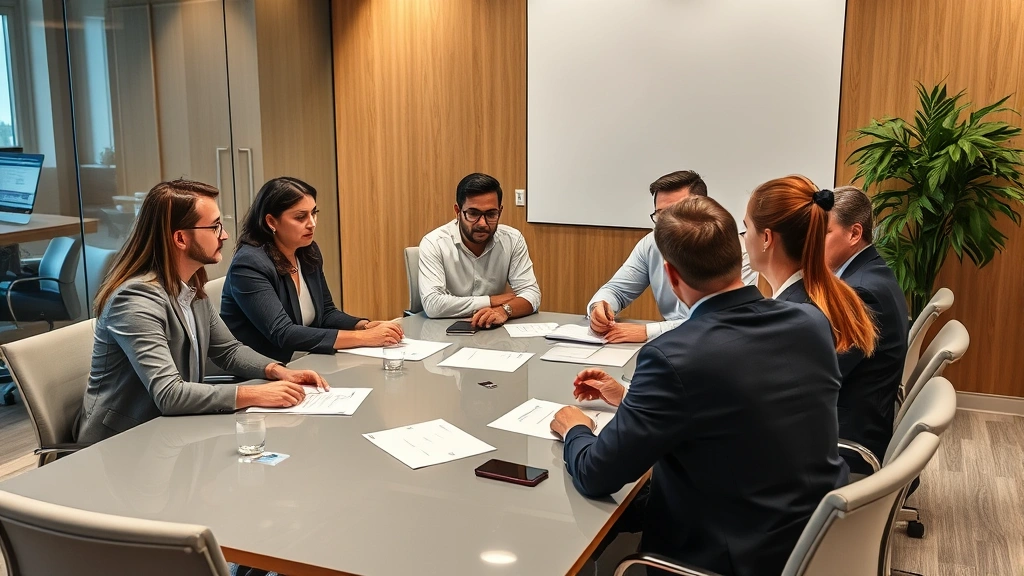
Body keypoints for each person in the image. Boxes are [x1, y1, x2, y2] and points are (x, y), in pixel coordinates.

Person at [550, 196, 847, 576]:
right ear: (738, 256)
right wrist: (628, 399)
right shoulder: (810, 321)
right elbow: (733, 409)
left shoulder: (673, 356)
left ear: (672, 277)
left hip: (723, 558)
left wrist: (575, 428)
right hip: (811, 539)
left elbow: (596, 474)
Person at [76, 179, 328, 445]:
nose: (224, 235)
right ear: (181, 238)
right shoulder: (135, 300)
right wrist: (255, 394)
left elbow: (228, 350)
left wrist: (278, 371)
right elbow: (169, 394)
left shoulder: (189, 287)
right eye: (215, 226)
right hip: (121, 444)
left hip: (172, 433)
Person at [221, 177, 403, 363]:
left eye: (314, 213)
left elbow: (326, 313)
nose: (312, 223)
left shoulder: (307, 251)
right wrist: (363, 338)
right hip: (258, 368)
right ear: (271, 222)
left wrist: (364, 326)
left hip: (299, 360)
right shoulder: (249, 264)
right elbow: (282, 333)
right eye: (300, 217)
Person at [586, 170, 757, 343]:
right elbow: (617, 289)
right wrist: (599, 307)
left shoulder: (735, 249)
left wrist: (648, 331)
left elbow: (727, 317)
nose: (667, 223)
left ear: (702, 208)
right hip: (671, 344)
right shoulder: (651, 243)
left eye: (676, 212)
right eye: (660, 214)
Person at [742, 175, 877, 357]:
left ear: (766, 238)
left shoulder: (780, 321)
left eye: (746, 228)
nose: (744, 237)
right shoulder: (832, 296)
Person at [825, 186, 909, 472]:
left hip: (848, 438)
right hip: (863, 412)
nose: (811, 244)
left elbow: (824, 374)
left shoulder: (861, 292)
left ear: (854, 234)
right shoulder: (870, 272)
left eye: (823, 233)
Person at [418, 172, 541, 327]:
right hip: (442, 331)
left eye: (491, 214)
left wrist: (504, 311)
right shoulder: (434, 243)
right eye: (473, 213)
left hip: (493, 330)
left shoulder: (512, 239)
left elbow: (532, 294)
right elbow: (433, 304)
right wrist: (490, 301)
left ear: (500, 211)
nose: (482, 223)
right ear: (457, 212)